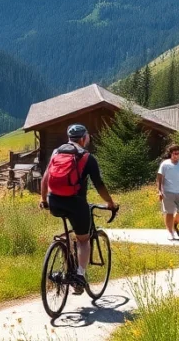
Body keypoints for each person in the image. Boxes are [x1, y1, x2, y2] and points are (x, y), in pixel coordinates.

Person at [39, 124, 118, 295]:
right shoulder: (87, 157)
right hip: (76, 203)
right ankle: (80, 275)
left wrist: (43, 199)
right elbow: (99, 185)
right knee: (83, 239)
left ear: (69, 138)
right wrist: (110, 203)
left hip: (55, 202)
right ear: (84, 138)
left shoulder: (56, 153)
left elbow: (45, 178)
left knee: (71, 231)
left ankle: (63, 249)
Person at [157, 144, 179, 240]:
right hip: (168, 191)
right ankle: (170, 232)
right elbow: (160, 178)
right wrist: (159, 191)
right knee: (169, 212)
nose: (178, 155)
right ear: (171, 153)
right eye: (176, 153)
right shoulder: (165, 164)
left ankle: (174, 223)